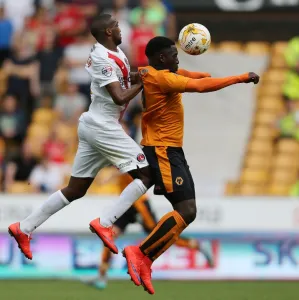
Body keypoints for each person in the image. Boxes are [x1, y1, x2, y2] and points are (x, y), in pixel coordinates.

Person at [120, 37, 260, 294]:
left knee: (187, 211)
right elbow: (201, 86)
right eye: (174, 54)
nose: (178, 58)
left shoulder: (151, 73)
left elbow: (194, 75)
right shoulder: (164, 79)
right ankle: (140, 253)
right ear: (162, 58)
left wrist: (201, 73)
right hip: (163, 150)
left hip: (167, 148)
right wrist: (240, 77)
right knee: (186, 210)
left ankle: (145, 256)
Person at [8, 14, 153, 261]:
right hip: (103, 125)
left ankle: (23, 228)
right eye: (117, 26)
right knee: (147, 175)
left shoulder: (116, 53)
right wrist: (145, 82)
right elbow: (119, 96)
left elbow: (127, 80)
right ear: (108, 32)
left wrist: (150, 75)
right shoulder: (101, 57)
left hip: (94, 124)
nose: (121, 30)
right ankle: (106, 223)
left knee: (75, 189)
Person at [92, 173, 213, 289]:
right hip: (127, 204)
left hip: (140, 204)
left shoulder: (126, 157)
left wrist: (110, 175)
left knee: (160, 236)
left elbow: (128, 169)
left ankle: (198, 245)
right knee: (110, 236)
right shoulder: (116, 159)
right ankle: (101, 276)